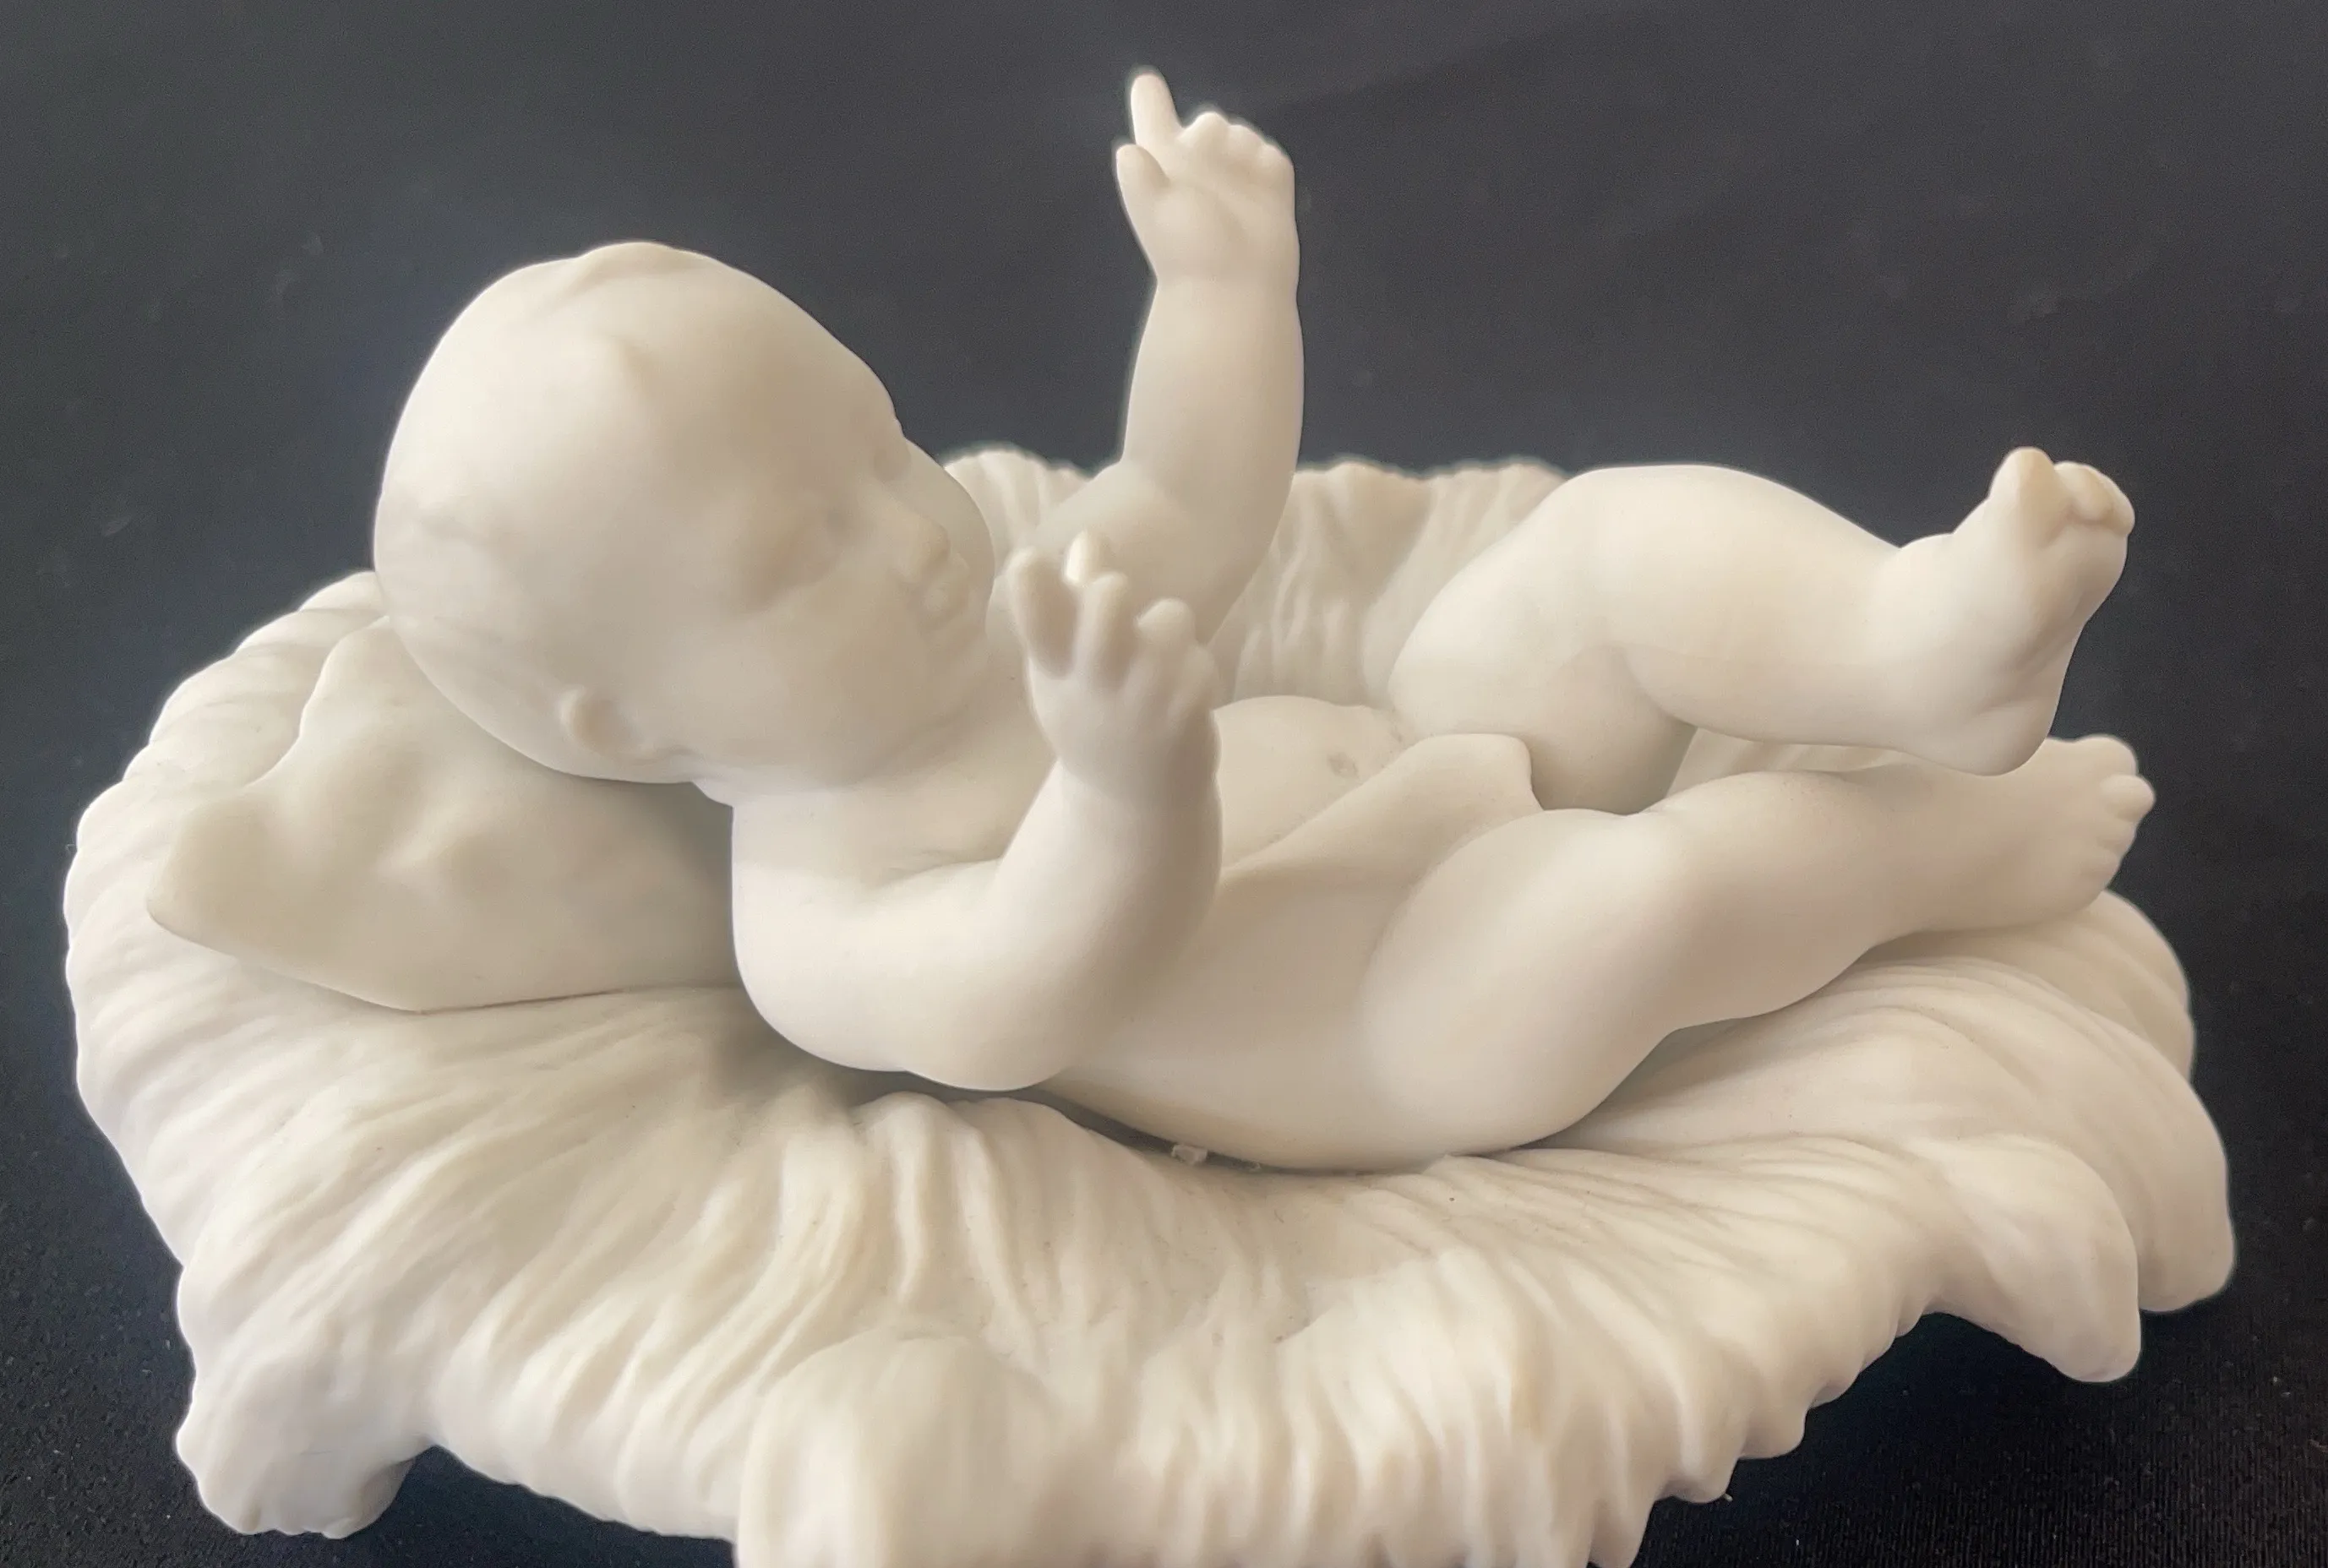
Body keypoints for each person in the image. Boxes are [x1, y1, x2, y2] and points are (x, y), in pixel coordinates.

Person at [373, 74, 2150, 1169]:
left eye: (884, 443)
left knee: (1596, 549)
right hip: (1404, 1015)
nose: (909, 533)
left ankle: (1916, 641)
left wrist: (1223, 292)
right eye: (797, 555)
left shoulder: (1007, 616)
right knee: (1649, 889)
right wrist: (1120, 791)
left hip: (1442, 759)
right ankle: (1941, 852)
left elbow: (1192, 494)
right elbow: (1028, 986)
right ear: (632, 722)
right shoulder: (814, 910)